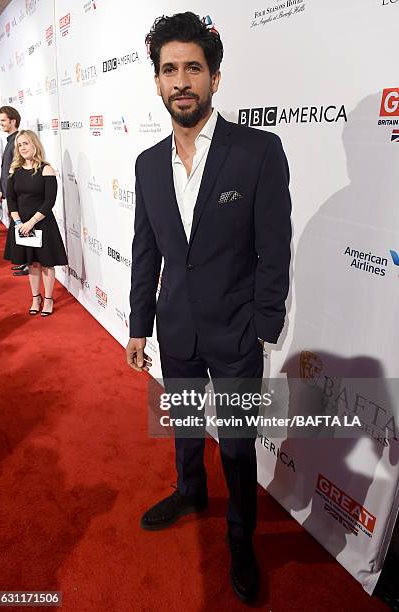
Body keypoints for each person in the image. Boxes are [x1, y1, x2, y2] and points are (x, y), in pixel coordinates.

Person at [126, 12, 291, 604]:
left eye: (192, 67)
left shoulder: (258, 151)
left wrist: (262, 326)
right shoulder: (147, 164)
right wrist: (139, 325)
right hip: (176, 328)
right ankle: (190, 489)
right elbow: (146, 251)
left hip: (239, 330)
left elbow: (275, 248)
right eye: (169, 69)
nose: (181, 81)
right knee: (188, 425)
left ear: (215, 77)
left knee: (240, 444)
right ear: (158, 83)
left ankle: (241, 537)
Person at [3, 130, 67, 316]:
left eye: (26, 143)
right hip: (21, 225)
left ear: (35, 145)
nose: (22, 148)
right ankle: (35, 298)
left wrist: (31, 222)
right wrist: (17, 222)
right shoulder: (14, 170)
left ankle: (48, 299)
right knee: (32, 263)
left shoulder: (46, 169)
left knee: (46, 263)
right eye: (20, 145)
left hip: (42, 223)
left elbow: (49, 202)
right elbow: (11, 199)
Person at [0, 105, 28, 276]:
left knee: (22, 226)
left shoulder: (18, 141)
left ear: (13, 121)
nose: (0, 123)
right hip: (11, 193)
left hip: (18, 194)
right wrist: (3, 191)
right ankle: (24, 261)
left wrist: (11, 192)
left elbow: (17, 169)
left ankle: (29, 262)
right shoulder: (10, 140)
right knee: (18, 227)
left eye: (3, 120)